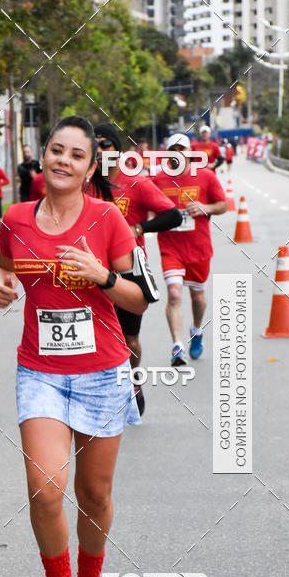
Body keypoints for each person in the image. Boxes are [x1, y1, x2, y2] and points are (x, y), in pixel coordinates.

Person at [0, 116, 147, 577]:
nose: (64, 160)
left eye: (76, 155)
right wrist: (1, 285)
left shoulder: (107, 219)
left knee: (94, 493)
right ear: (43, 155)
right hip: (41, 372)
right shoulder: (14, 217)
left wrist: (101, 276)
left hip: (103, 372)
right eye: (56, 150)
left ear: (90, 167)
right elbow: (5, 268)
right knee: (45, 488)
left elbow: (139, 295)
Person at [93, 122, 182, 414]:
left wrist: (139, 227)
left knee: (129, 338)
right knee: (97, 337)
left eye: (105, 144)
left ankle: (133, 379)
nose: (99, 150)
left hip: (130, 273)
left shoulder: (137, 183)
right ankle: (101, 389)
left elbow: (173, 216)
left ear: (118, 150)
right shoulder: (85, 184)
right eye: (94, 145)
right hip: (90, 273)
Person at [153, 133, 227, 366]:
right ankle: (177, 346)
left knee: (197, 296)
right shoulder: (158, 180)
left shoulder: (206, 177)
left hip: (198, 248)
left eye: (181, 149)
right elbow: (148, 209)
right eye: (172, 150)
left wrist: (205, 207)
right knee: (174, 293)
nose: (177, 154)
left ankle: (196, 330)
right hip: (170, 247)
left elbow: (223, 205)